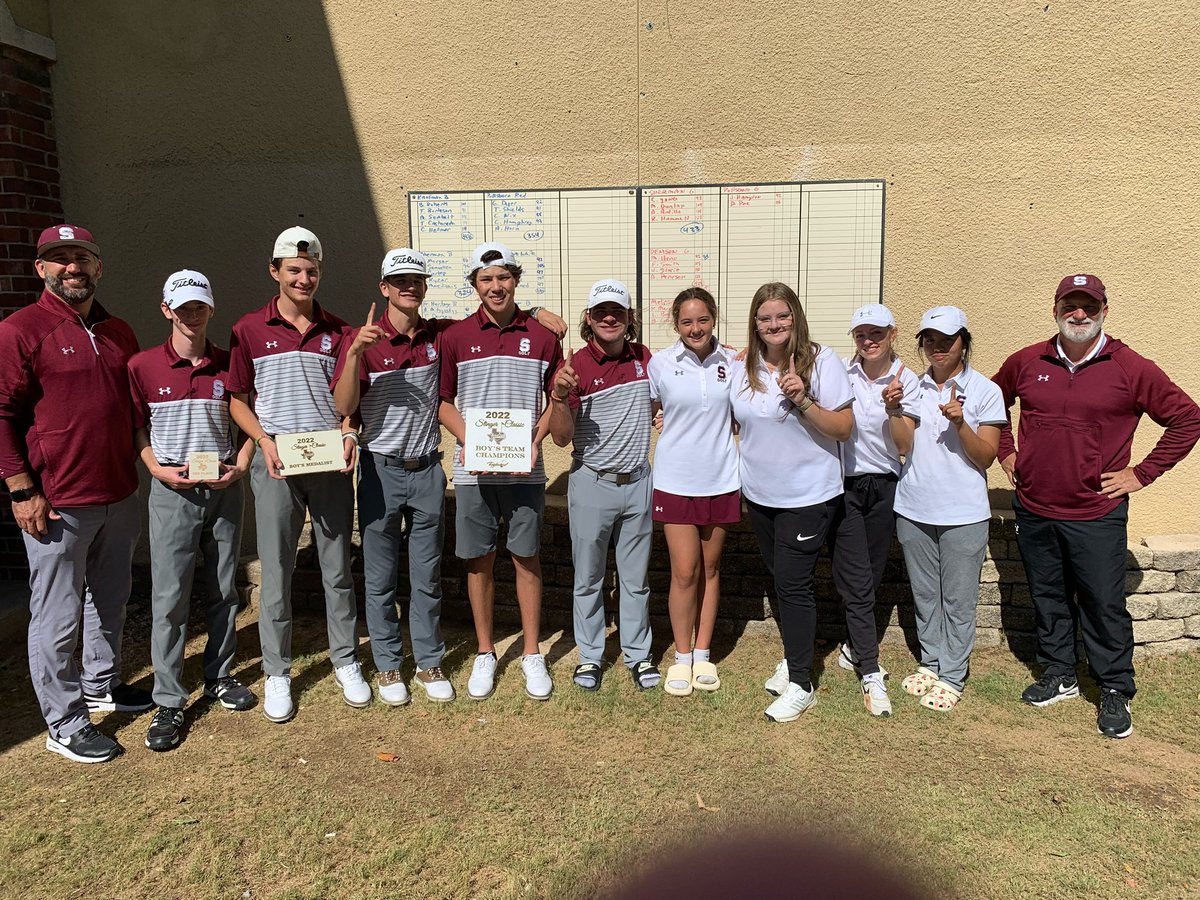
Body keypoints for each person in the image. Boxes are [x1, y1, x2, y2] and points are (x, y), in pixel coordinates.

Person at [332, 247, 564, 706]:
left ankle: (430, 661)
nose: (409, 287)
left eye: (416, 279)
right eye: (400, 280)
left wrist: (536, 311)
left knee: (428, 575)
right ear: (384, 287)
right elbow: (344, 407)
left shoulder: (439, 334)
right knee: (380, 576)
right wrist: (356, 353)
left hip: (430, 470)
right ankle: (388, 666)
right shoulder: (364, 338)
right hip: (382, 469)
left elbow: (500, 318)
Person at [994, 274, 1200, 738]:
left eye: (1089, 306)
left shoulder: (1130, 367)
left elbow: (1188, 419)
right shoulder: (1028, 361)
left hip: (1096, 512)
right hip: (1036, 506)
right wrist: (1005, 452)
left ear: (1104, 310)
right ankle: (1060, 673)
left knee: (1104, 603)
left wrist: (1141, 473)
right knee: (1048, 596)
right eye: (1071, 305)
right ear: (1056, 310)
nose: (1079, 315)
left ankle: (1114, 688)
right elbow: (991, 404)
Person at [0, 224, 151, 764]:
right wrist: (21, 490)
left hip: (118, 492)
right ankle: (63, 721)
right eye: (59, 259)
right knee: (57, 615)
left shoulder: (119, 331)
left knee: (108, 601)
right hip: (57, 500)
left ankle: (101, 685)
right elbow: (2, 414)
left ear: (98, 267)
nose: (73, 268)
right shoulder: (21, 330)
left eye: (81, 258)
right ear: (40, 269)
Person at [227, 226, 366, 723]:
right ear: (275, 271)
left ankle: (346, 660)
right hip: (277, 467)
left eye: (311, 270)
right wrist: (262, 442)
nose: (304, 278)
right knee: (278, 571)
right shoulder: (248, 329)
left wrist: (349, 433)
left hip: (328, 464)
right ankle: (277, 672)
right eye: (294, 270)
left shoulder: (340, 331)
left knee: (337, 570)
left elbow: (348, 406)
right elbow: (238, 401)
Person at [128, 270, 256, 750]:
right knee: (170, 596)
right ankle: (168, 698)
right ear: (166, 310)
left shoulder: (229, 365)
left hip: (223, 487)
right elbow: (136, 427)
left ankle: (220, 676)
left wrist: (241, 464)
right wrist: (156, 471)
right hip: (173, 492)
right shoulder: (142, 366)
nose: (191, 315)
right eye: (182, 307)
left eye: (199, 306)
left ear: (210, 309)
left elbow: (248, 423)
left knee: (225, 588)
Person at [438, 242, 563, 700]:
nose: (496, 286)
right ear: (474, 284)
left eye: (504, 276)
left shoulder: (545, 335)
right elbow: (444, 401)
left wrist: (535, 440)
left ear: (515, 279)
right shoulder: (452, 336)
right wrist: (472, 440)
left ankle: (532, 652)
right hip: (474, 470)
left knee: (526, 557)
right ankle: (486, 651)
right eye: (486, 278)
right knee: (480, 559)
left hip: (525, 470)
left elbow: (556, 399)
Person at [732, 283, 854, 723]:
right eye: (765, 318)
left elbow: (842, 428)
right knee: (781, 578)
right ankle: (795, 654)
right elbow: (735, 419)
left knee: (794, 585)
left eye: (782, 316)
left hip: (808, 496)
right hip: (761, 497)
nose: (774, 325)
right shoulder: (743, 365)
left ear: (796, 317)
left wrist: (803, 399)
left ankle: (802, 683)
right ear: (755, 324)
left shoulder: (822, 362)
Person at [548, 279, 659, 692]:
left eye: (617, 311)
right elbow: (561, 438)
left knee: (635, 579)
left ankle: (638, 655)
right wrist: (559, 397)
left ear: (630, 318)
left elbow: (669, 393)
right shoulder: (575, 366)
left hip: (637, 481)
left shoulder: (645, 358)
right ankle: (591, 657)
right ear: (588, 319)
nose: (609, 318)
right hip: (593, 482)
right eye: (600, 312)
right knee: (589, 578)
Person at [893, 306, 1005, 713]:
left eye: (947, 340)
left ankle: (953, 674)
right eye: (929, 340)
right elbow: (901, 444)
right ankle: (931, 661)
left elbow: (986, 458)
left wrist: (960, 423)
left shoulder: (985, 390)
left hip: (963, 513)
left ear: (964, 343)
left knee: (958, 599)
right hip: (913, 507)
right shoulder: (910, 386)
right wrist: (893, 411)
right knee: (925, 594)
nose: (937, 348)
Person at [646, 287, 740, 696]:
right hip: (675, 480)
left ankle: (703, 654)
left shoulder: (734, 361)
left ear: (714, 318)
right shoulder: (661, 363)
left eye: (702, 320)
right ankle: (681, 658)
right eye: (687, 321)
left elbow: (743, 410)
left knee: (711, 568)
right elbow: (650, 408)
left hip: (721, 478)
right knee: (685, 571)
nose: (695, 328)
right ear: (676, 324)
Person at [828, 303, 919, 717]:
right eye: (862, 334)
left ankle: (851, 644)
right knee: (856, 574)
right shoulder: (839, 375)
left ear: (893, 334)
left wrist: (893, 408)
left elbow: (904, 446)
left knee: (873, 569)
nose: (869, 341)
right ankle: (868, 661)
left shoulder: (907, 380)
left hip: (883, 484)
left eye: (877, 333)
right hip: (844, 483)